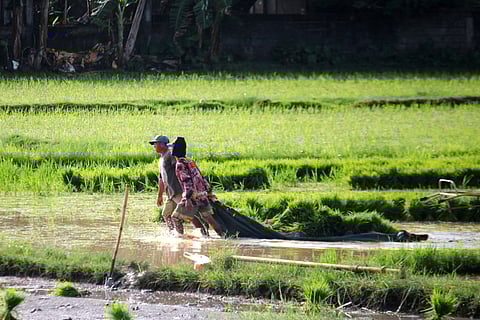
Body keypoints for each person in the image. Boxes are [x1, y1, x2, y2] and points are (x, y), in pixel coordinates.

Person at [150, 135, 207, 237]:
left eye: (156, 143)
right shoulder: (162, 158)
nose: (154, 146)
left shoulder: (170, 155)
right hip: (170, 193)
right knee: (166, 214)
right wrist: (159, 195)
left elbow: (180, 164)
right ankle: (174, 234)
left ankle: (203, 233)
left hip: (178, 191)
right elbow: (161, 178)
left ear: (163, 144)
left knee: (189, 215)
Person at [171, 137, 225, 237]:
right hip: (202, 195)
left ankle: (180, 239)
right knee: (210, 219)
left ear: (174, 150)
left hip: (192, 196)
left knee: (175, 218)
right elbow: (201, 178)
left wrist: (187, 199)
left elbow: (187, 182)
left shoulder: (180, 164)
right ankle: (223, 237)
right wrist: (207, 193)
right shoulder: (190, 162)